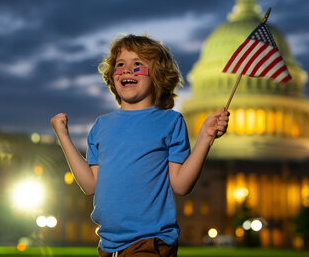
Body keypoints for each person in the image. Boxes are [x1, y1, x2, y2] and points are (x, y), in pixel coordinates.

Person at [51, 34, 229, 256]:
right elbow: (90, 185)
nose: (126, 70)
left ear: (158, 76)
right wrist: (63, 137)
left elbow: (181, 185)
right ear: (112, 76)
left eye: (137, 65)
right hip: (108, 245)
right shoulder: (100, 126)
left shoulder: (171, 122)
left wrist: (205, 138)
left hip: (151, 241)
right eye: (120, 64)